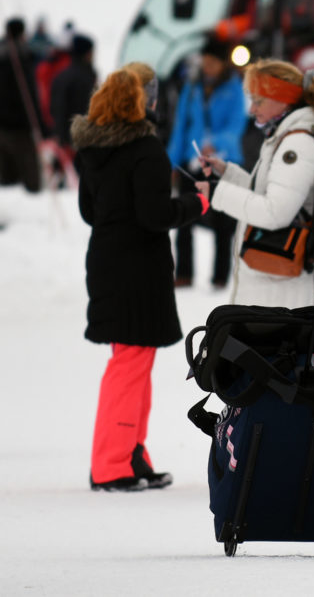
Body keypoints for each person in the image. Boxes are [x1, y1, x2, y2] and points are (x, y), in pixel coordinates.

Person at [72, 67, 209, 491]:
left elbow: (89, 212)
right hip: (137, 267)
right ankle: (112, 462)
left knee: (134, 361)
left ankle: (132, 453)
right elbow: (155, 216)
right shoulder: (146, 148)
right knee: (130, 364)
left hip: (107, 260)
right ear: (143, 101)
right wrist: (197, 202)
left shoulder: (94, 148)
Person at [195, 58, 314, 308]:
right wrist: (228, 175)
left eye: (259, 100)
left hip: (285, 294)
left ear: (283, 98)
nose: (252, 109)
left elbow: (276, 212)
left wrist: (217, 193)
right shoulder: (286, 136)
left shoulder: (297, 144)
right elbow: (273, 195)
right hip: (279, 282)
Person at [167, 36, 247, 289]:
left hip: (222, 163)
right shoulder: (192, 89)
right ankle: (184, 274)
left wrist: (218, 143)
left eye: (213, 62)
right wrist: (171, 162)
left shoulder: (234, 87)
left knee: (223, 222)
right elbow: (181, 126)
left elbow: (237, 125)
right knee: (184, 218)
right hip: (193, 162)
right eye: (205, 62)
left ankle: (220, 276)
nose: (208, 67)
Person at [0, 17, 46, 193]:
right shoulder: (20, 58)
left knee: (6, 181)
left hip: (2, 128)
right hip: (20, 128)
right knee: (31, 182)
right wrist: (40, 127)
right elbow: (29, 96)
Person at [50, 34, 98, 149]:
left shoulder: (61, 76)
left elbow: (55, 109)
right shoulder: (85, 77)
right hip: (82, 140)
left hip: (68, 138)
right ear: (87, 53)